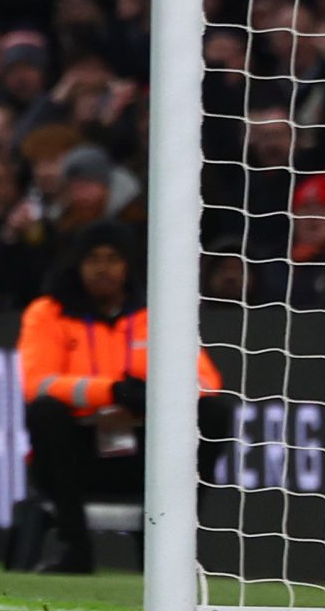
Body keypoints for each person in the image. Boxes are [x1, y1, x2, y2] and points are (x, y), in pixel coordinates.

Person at [18, 222, 224, 573]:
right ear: (77, 265)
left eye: (113, 258)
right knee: (45, 412)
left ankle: (162, 543)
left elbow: (207, 381)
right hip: (76, 453)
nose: (103, 268)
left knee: (215, 413)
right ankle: (74, 547)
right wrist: (110, 393)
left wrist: (153, 399)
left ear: (128, 266)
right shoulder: (48, 313)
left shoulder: (157, 314)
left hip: (145, 453)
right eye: (93, 259)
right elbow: (36, 383)